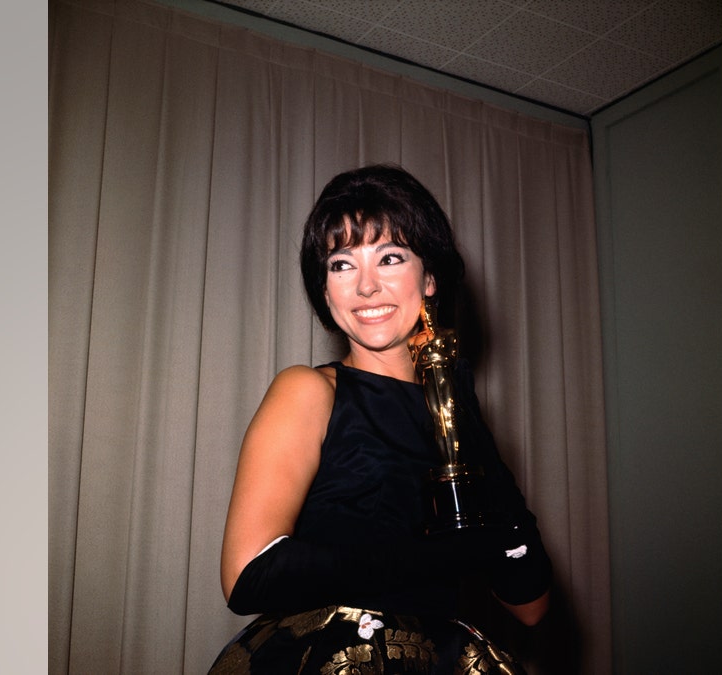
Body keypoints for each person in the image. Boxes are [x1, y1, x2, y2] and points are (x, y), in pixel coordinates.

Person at [208, 164, 552, 674]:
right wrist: (442, 553)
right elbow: (248, 577)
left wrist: (473, 443)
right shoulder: (309, 390)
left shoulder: (455, 412)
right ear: (325, 291)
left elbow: (530, 605)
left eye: (390, 257)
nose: (366, 287)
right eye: (342, 264)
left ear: (429, 277)